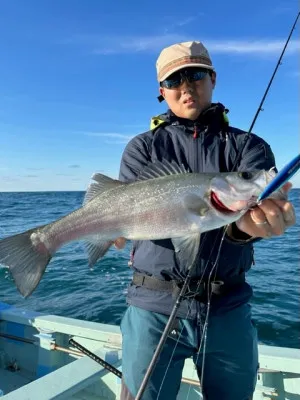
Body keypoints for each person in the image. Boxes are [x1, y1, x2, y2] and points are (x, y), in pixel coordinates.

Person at [115, 41, 296, 400]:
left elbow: (250, 214)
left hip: (228, 306)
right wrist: (111, 231)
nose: (186, 86)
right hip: (153, 306)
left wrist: (246, 230)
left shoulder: (249, 147)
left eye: (195, 74)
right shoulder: (142, 148)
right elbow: (126, 210)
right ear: (162, 92)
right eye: (174, 79)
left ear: (212, 78)